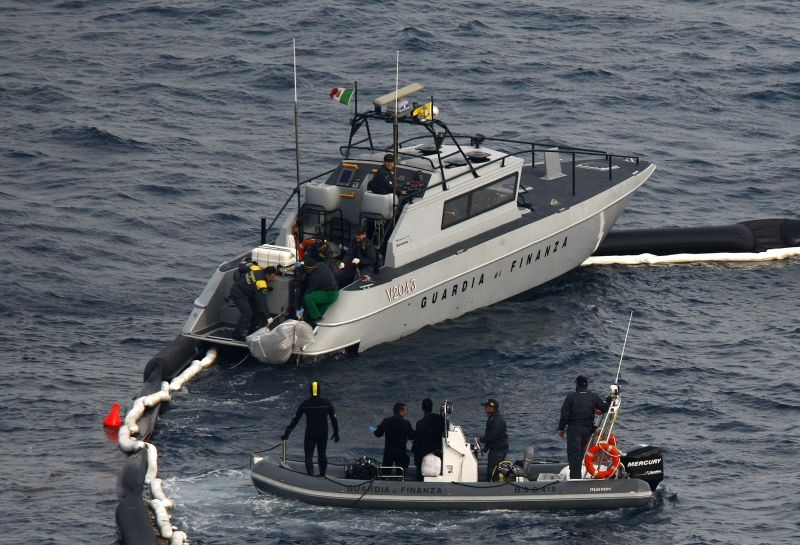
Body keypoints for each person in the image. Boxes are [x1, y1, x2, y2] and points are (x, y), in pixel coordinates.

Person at [281, 381, 340, 477]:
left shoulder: (305, 404)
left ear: (311, 391)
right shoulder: (327, 403)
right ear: (319, 391)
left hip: (310, 433)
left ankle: (310, 476)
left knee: (308, 456)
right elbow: (334, 419)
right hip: (323, 433)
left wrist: (287, 433)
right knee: (322, 454)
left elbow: (295, 420)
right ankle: (322, 475)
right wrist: (336, 433)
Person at [557, 375, 612, 479]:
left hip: (574, 430)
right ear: (587, 385)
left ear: (577, 385)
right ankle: (578, 476)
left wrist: (561, 429)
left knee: (574, 454)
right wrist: (609, 400)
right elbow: (604, 408)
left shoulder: (570, 397)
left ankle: (575, 479)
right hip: (587, 430)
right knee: (580, 452)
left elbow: (564, 415)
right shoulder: (593, 397)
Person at [229, 262, 277, 341]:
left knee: (256, 311)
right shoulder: (261, 283)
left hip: (244, 290)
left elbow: (241, 267)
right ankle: (237, 335)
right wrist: (268, 317)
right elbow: (262, 302)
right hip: (238, 293)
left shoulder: (255, 268)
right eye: (272, 277)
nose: (273, 279)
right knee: (247, 314)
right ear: (267, 275)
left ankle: (251, 331)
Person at [373, 402, 415, 477]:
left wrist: (378, 427)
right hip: (401, 451)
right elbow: (411, 437)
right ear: (400, 411)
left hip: (389, 451)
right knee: (400, 474)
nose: (406, 413)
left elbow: (378, 434)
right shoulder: (406, 423)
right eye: (405, 410)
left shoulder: (386, 421)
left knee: (385, 473)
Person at [300, 256, 339, 327]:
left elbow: (308, 292)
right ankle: (315, 319)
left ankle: (316, 318)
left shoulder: (314, 277)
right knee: (317, 310)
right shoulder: (321, 264)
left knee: (308, 298)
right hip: (334, 290)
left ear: (309, 269)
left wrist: (301, 306)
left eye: (306, 270)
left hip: (330, 294)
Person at [411, 398, 444, 480]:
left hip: (422, 451)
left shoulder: (419, 423)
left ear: (422, 408)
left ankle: (419, 477)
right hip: (436, 449)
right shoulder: (440, 418)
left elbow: (417, 438)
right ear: (432, 407)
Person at [476, 398, 508, 482]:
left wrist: (481, 439)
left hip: (498, 451)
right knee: (491, 470)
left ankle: (494, 486)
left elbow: (492, 436)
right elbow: (491, 435)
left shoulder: (497, 420)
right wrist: (486, 447)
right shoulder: (492, 418)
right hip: (494, 449)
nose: (485, 408)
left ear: (492, 408)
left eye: (487, 407)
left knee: (493, 472)